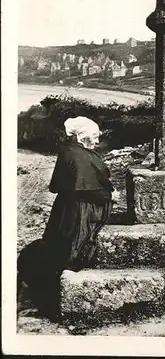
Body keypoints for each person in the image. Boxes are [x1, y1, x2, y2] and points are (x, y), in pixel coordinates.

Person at [17, 116, 117, 318]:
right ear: (82, 136)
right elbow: (87, 190)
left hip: (67, 207)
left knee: (57, 244)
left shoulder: (70, 151)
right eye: (95, 136)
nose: (97, 141)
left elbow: (66, 185)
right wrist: (110, 196)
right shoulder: (78, 156)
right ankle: (52, 298)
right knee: (71, 250)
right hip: (80, 210)